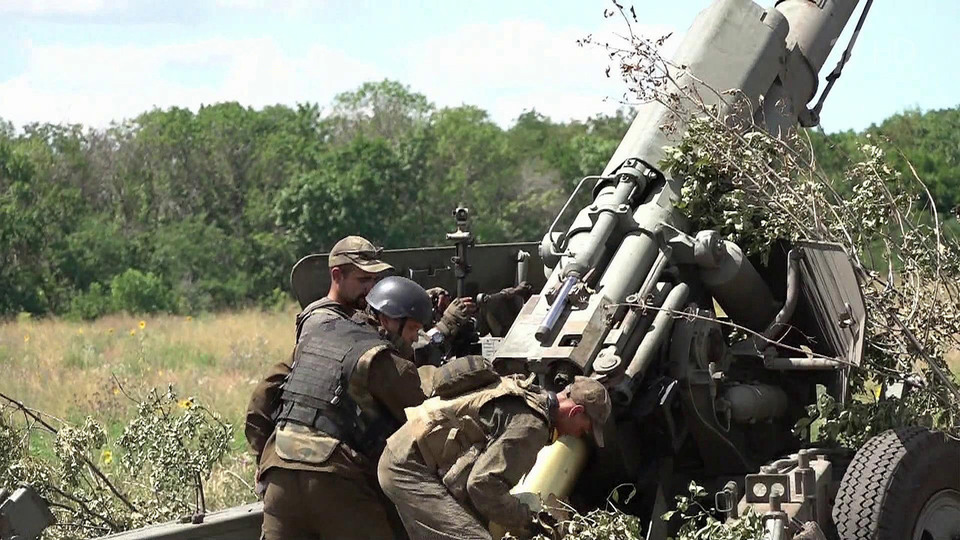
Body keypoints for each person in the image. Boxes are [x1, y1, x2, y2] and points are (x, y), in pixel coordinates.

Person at [256, 275, 433, 540]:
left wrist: (264, 459)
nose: (414, 339)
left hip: (279, 477)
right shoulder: (385, 361)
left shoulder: (317, 337)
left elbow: (261, 396)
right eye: (412, 330)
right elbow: (423, 426)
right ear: (389, 320)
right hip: (336, 484)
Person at [378, 373, 612, 540]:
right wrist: (530, 521)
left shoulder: (526, 390)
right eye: (586, 428)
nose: (580, 434)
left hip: (406, 453)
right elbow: (482, 486)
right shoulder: (532, 426)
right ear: (576, 411)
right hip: (409, 468)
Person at [245, 235, 393, 458]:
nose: (370, 288)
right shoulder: (322, 323)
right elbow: (263, 397)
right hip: (325, 449)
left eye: (374, 280)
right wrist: (262, 457)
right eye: (363, 280)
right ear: (337, 276)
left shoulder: (359, 314)